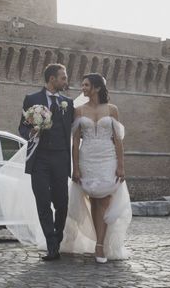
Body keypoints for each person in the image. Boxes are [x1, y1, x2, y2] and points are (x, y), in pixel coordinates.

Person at [62, 73, 132, 262]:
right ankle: (98, 244)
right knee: (94, 200)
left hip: (108, 158)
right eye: (82, 85)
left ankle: (100, 245)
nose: (83, 88)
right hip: (87, 159)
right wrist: (75, 168)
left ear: (97, 88)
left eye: (86, 85)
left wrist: (121, 166)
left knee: (105, 200)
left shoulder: (112, 110)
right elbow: (75, 142)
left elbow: (118, 140)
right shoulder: (79, 111)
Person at [18, 63, 74, 261]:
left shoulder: (68, 103)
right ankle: (51, 246)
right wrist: (31, 131)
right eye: (63, 78)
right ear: (52, 79)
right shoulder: (31, 99)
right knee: (42, 203)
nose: (66, 81)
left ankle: (57, 237)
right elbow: (22, 128)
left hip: (60, 157)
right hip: (39, 158)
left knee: (62, 203)